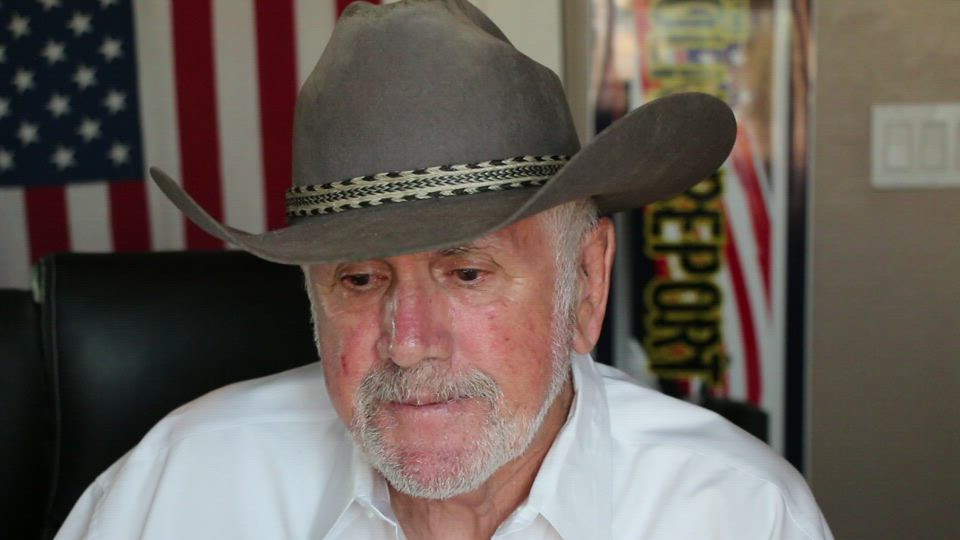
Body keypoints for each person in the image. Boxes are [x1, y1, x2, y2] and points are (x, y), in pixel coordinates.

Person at [57, 1, 833, 538]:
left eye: (467, 273)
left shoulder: (735, 513)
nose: (408, 343)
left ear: (586, 285)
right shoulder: (178, 484)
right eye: (360, 280)